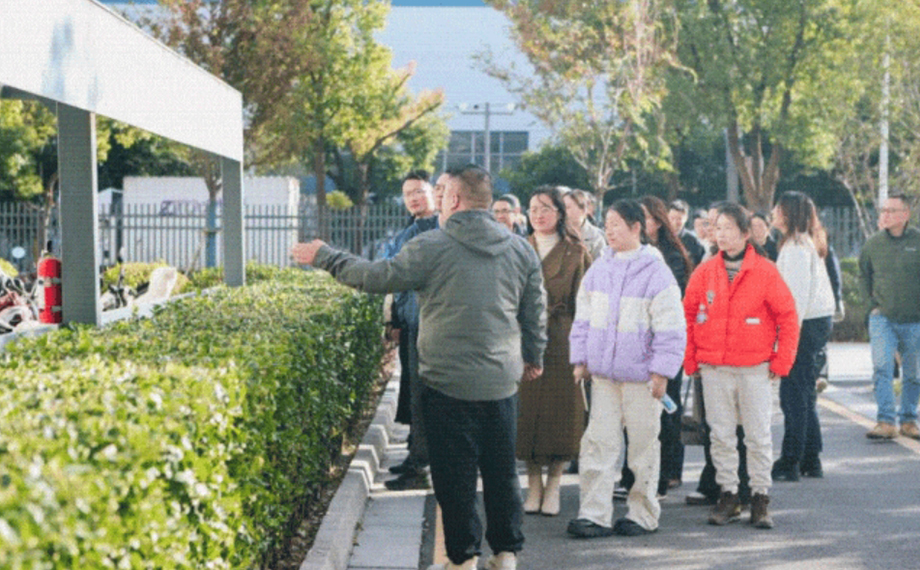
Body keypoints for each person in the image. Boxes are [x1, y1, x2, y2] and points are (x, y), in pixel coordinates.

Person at [292, 164, 547, 570]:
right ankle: (506, 554)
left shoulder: (432, 246)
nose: (438, 200)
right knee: (501, 473)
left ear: (455, 200)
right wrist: (533, 356)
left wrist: (326, 256)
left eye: (443, 193)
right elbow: (534, 310)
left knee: (455, 477)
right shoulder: (521, 250)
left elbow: (376, 277)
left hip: (445, 384)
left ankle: (462, 559)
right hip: (501, 382)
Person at [566, 199, 686, 538]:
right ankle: (594, 514)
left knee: (643, 449)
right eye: (607, 224)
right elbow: (582, 319)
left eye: (616, 224)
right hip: (603, 377)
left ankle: (643, 514)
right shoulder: (599, 269)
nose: (609, 230)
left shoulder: (657, 272)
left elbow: (671, 329)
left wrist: (661, 373)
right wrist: (580, 359)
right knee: (597, 445)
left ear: (637, 228)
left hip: (642, 380)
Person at [683, 202, 799, 530]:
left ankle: (760, 497)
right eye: (716, 228)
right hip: (714, 368)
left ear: (746, 233)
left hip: (754, 368)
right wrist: (690, 358)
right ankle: (729, 495)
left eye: (728, 228)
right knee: (720, 435)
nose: (721, 235)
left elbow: (788, 317)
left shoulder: (765, 270)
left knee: (757, 435)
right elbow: (687, 315)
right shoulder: (704, 271)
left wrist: (782, 360)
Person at [517, 186, 592, 517]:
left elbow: (586, 306)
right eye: (532, 208)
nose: (538, 214)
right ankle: (533, 483)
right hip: (524, 338)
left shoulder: (576, 251)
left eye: (545, 208)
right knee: (527, 411)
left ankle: (555, 484)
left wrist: (584, 351)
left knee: (562, 413)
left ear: (560, 213)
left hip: (563, 338)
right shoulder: (519, 248)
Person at [770, 192, 835, 481]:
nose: (773, 212)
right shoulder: (803, 242)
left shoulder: (796, 248)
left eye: (778, 208)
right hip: (814, 322)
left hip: (804, 324)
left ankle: (791, 460)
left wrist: (785, 340)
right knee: (804, 392)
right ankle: (810, 458)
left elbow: (794, 300)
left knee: (793, 394)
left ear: (788, 212)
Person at [384, 171, 438, 490]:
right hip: (410, 324)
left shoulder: (439, 230)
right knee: (413, 395)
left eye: (419, 191)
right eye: (408, 194)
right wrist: (394, 320)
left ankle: (420, 465)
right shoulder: (408, 231)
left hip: (430, 326)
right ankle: (415, 454)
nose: (414, 198)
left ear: (433, 192)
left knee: (423, 398)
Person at [858, 193, 920, 441]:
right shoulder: (872, 244)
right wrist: (870, 308)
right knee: (882, 368)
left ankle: (909, 420)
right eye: (883, 210)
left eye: (891, 210)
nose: (885, 215)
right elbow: (864, 277)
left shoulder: (917, 241)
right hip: (882, 318)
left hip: (915, 319)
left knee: (914, 373)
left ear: (905, 214)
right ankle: (885, 421)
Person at [563, 188, 606, 260]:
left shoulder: (596, 236)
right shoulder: (555, 231)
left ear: (583, 209)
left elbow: (601, 263)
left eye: (568, 207)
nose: (564, 211)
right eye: (562, 207)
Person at [669, 199, 706, 265]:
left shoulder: (693, 241)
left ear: (686, 218)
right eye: (672, 218)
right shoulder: (660, 237)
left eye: (679, 219)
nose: (675, 222)